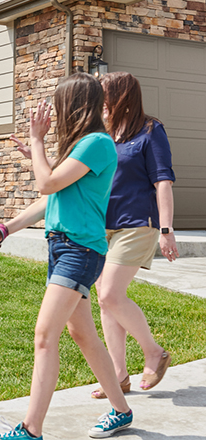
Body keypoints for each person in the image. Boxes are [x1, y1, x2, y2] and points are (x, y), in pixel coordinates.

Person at [0, 73, 131, 440]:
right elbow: (50, 199)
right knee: (81, 334)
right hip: (65, 248)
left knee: (45, 334)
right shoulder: (81, 147)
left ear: (74, 106)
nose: (55, 112)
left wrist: (37, 142)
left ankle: (31, 430)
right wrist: (6, 229)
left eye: (60, 103)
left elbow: (46, 183)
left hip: (80, 251)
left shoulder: (97, 143)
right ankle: (121, 410)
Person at [88, 72, 175, 399]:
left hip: (139, 223)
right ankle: (119, 374)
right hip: (104, 226)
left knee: (110, 293)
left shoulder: (151, 130)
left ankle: (154, 352)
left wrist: (166, 230)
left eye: (104, 93)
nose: (100, 100)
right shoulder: (106, 135)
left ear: (120, 96)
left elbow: (163, 181)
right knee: (106, 301)